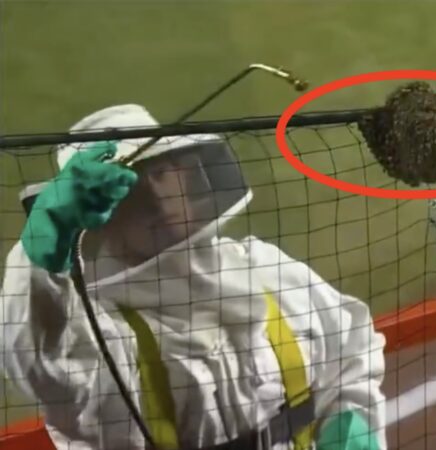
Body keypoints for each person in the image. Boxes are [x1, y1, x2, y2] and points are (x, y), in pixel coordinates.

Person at [1, 104, 386, 450]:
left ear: (187, 176)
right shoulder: (99, 332)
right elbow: (37, 361)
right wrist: (42, 247)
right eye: (131, 182)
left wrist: (351, 427)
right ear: (99, 216)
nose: (154, 193)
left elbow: (349, 348)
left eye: (162, 171)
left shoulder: (268, 269)